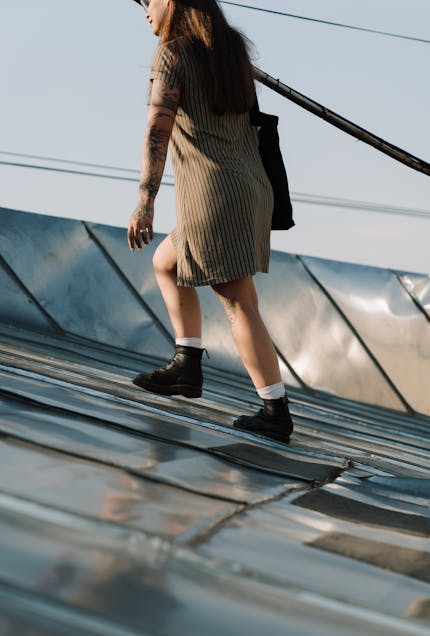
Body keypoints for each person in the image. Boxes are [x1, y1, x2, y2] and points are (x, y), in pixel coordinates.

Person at [127, 0, 293, 443]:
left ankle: (275, 410)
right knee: (167, 262)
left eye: (151, 0)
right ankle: (187, 364)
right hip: (251, 186)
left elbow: (157, 128)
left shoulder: (173, 53)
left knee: (238, 300)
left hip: (216, 192)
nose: (145, 9)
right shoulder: (232, 52)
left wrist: (145, 201)